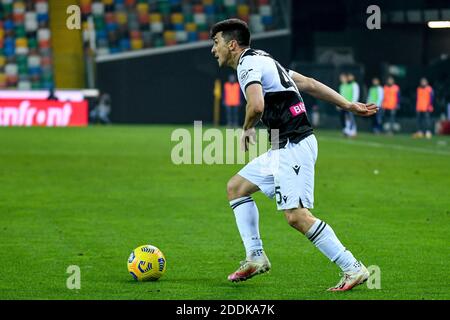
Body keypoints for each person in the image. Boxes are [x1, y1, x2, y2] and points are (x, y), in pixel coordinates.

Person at [210, 19, 377, 291]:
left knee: (296, 216)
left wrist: (246, 129)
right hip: (282, 145)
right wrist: (347, 105)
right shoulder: (264, 59)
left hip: (293, 145)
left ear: (232, 44)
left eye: (216, 43)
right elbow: (308, 83)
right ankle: (255, 256)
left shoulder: (247, 64)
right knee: (237, 187)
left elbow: (256, 105)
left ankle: (352, 267)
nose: (213, 49)